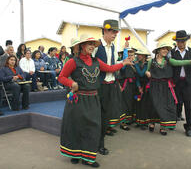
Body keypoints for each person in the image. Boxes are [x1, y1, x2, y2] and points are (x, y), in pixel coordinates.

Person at [58, 34, 133, 167]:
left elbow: (110, 69)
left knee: (92, 127)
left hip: (93, 99)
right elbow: (62, 77)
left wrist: (123, 63)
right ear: (82, 46)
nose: (92, 46)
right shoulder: (73, 61)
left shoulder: (96, 61)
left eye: (93, 44)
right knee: (76, 127)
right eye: (89, 44)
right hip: (78, 99)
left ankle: (87, 158)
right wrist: (71, 83)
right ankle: (75, 154)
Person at [145, 43, 191, 136]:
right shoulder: (151, 61)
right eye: (163, 49)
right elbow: (147, 70)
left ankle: (163, 126)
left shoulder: (169, 60)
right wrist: (147, 73)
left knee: (165, 106)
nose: (165, 50)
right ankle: (152, 122)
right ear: (158, 50)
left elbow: (179, 62)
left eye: (166, 49)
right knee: (154, 105)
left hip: (166, 86)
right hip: (154, 86)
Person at [92, 19, 122, 155]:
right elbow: (89, 64)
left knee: (106, 116)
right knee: (97, 116)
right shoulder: (96, 46)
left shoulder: (114, 47)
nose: (115, 34)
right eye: (112, 31)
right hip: (99, 86)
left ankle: (100, 142)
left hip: (111, 85)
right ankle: (98, 144)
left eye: (116, 31)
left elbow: (114, 64)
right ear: (105, 30)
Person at [118, 47, 137, 130]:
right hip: (125, 86)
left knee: (131, 102)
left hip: (133, 85)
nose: (130, 57)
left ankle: (129, 119)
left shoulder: (134, 64)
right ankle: (123, 122)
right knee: (124, 103)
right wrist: (125, 49)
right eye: (128, 55)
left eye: (132, 55)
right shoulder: (123, 65)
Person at [134, 48, 152, 130]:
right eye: (137, 55)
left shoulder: (147, 64)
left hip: (146, 86)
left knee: (145, 104)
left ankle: (145, 123)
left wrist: (136, 65)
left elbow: (141, 73)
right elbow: (137, 77)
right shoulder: (137, 64)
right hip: (139, 86)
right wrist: (138, 87)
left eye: (140, 55)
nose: (138, 56)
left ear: (144, 56)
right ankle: (138, 121)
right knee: (138, 103)